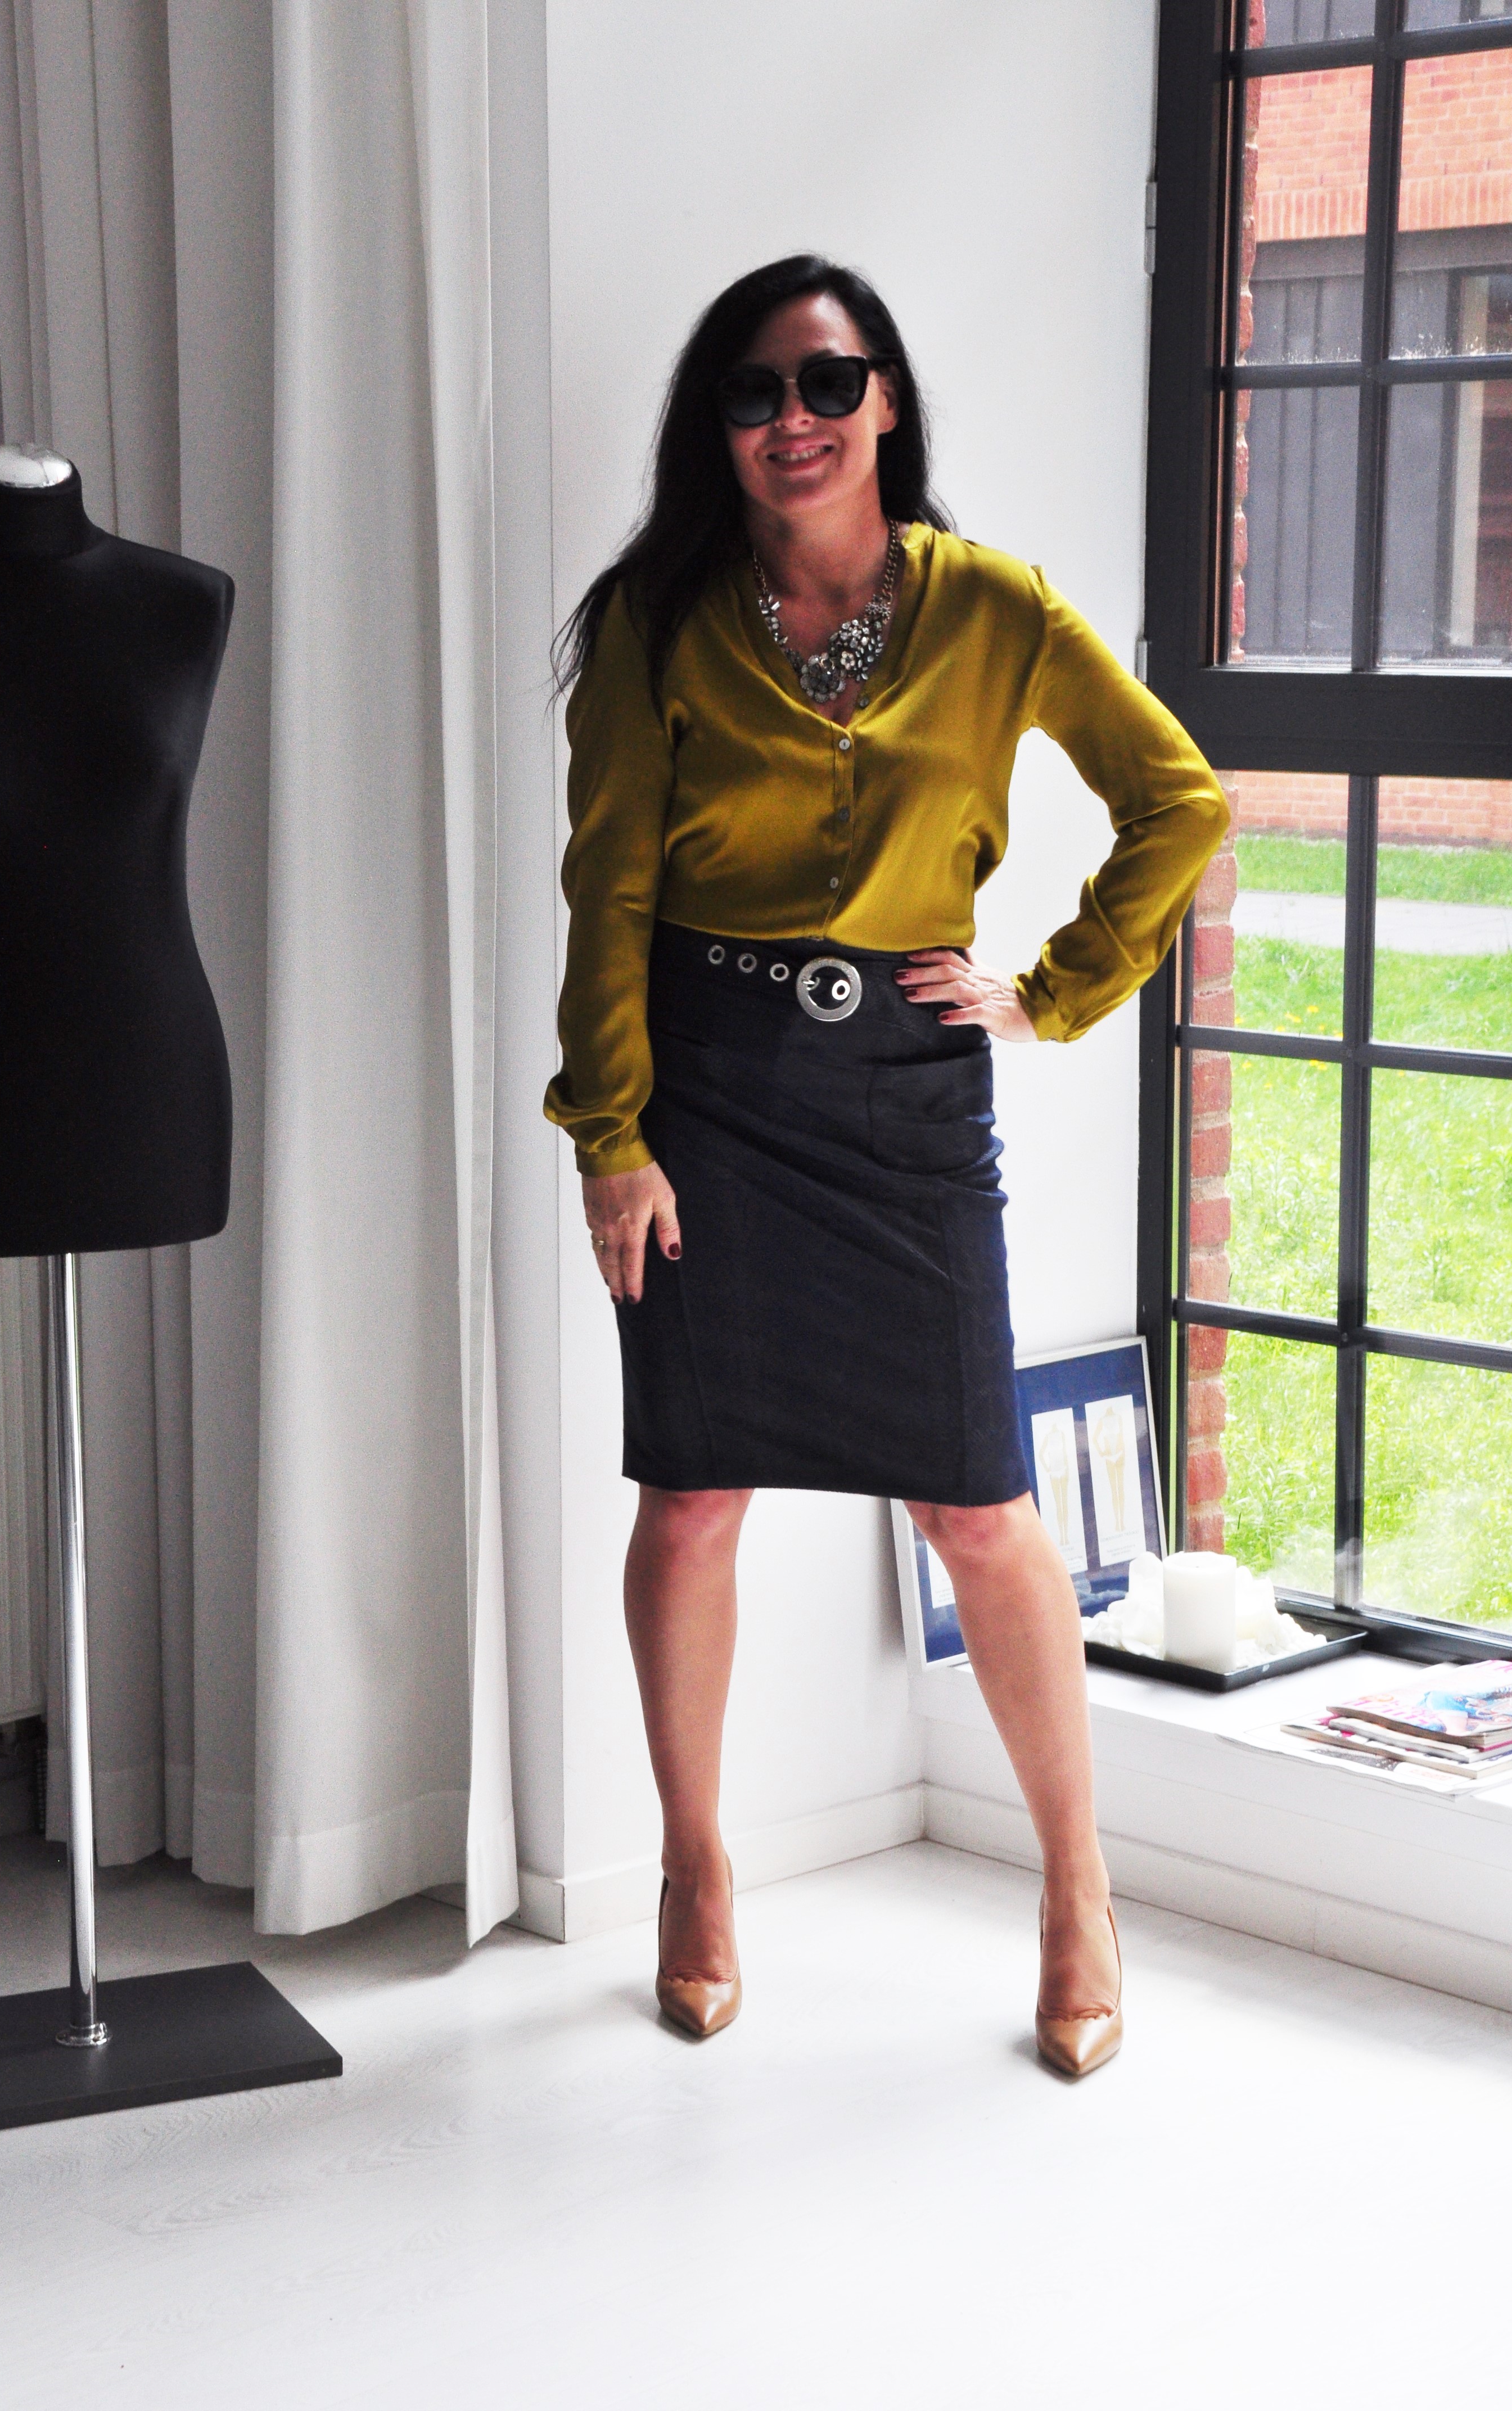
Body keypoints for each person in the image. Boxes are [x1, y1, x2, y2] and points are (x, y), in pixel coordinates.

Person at [545, 254, 1227, 2077]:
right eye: (755, 392)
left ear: (887, 402)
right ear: (720, 427)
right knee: (693, 1495)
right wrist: (612, 1135)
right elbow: (609, 891)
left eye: (828, 384)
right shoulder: (659, 618)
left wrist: (1054, 992)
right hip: (708, 1092)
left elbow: (1180, 800)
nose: (794, 420)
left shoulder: (993, 608)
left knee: (979, 1509)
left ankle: (1076, 1891)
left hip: (909, 1101)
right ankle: (697, 1867)